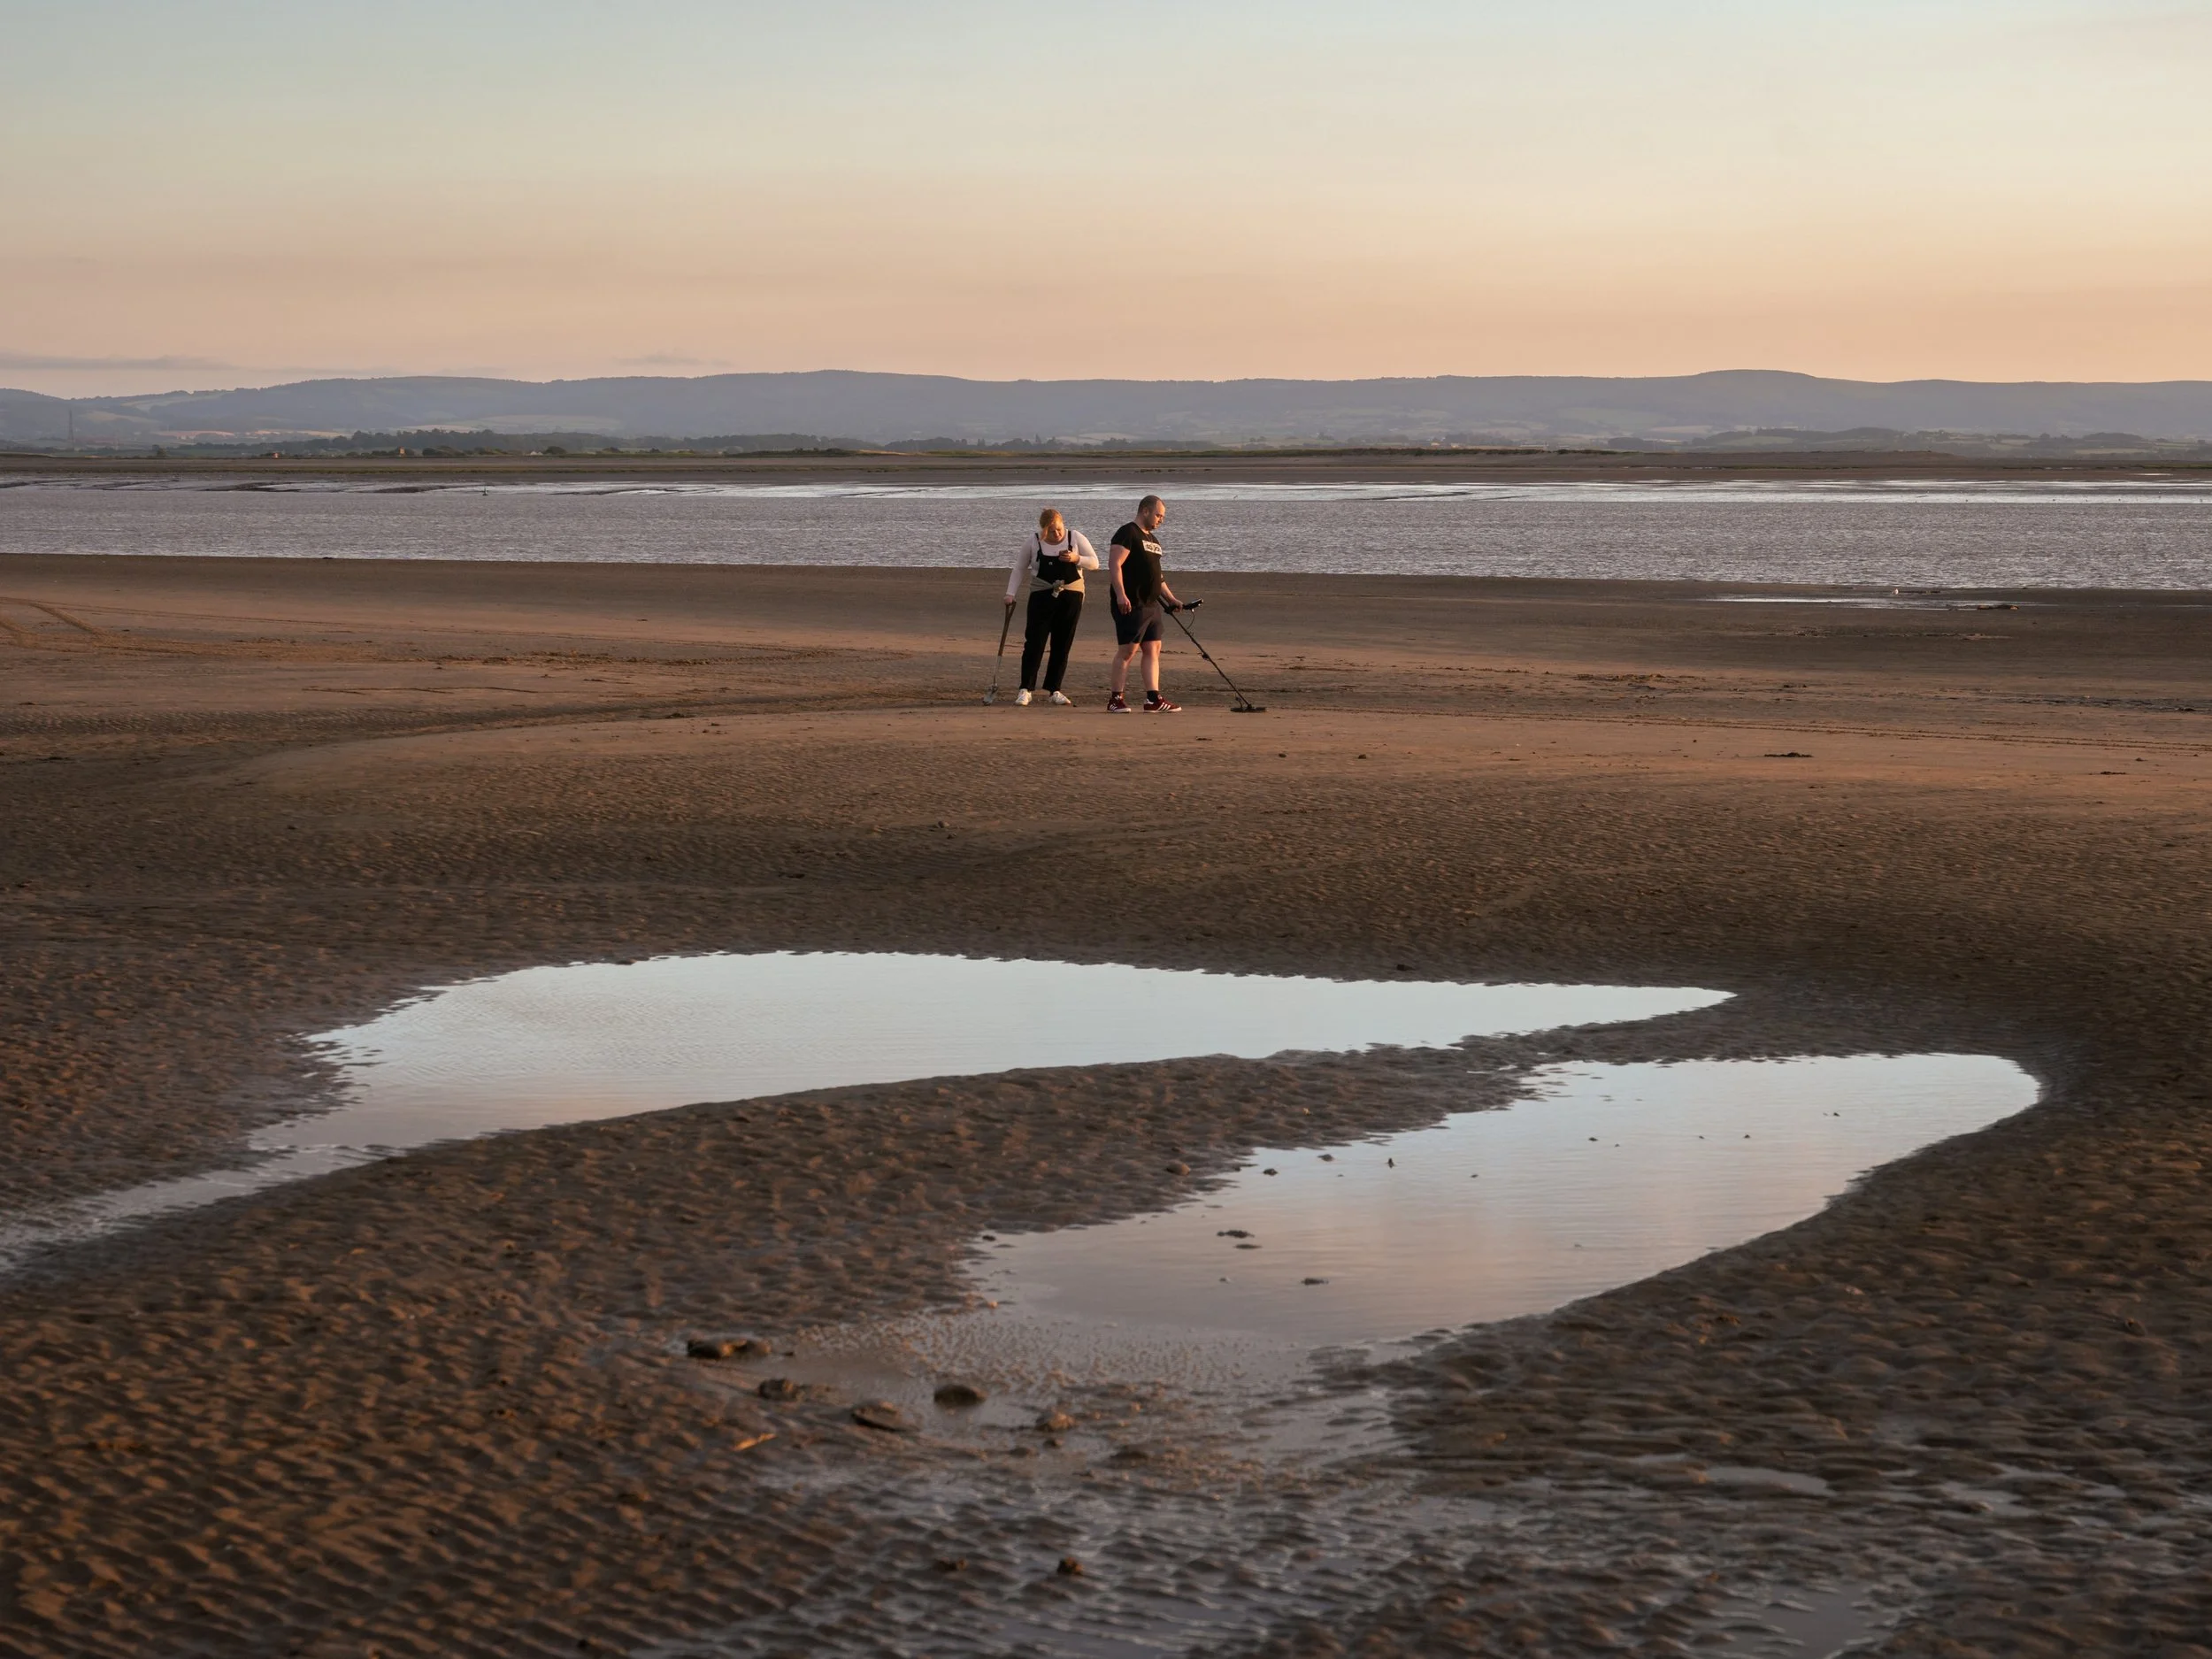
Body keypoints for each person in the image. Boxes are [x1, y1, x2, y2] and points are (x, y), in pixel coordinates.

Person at [1003, 507, 1099, 705]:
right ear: (1044, 530)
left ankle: (1054, 689)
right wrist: (1010, 593)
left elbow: (1095, 563)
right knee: (1034, 642)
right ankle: (1026, 689)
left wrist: (1076, 558)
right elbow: (1019, 568)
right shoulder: (1033, 541)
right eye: (1052, 531)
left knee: (1062, 643)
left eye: (1059, 529)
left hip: (1071, 596)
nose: (1057, 534)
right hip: (1041, 595)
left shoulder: (1075, 538)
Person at [1107, 494, 1185, 713]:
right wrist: (1121, 594)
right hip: (1132, 603)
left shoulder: (1153, 540)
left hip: (1152, 605)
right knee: (1127, 650)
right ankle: (1115, 699)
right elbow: (1115, 564)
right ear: (1145, 511)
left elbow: (1157, 576)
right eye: (1158, 515)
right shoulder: (1127, 533)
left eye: (1163, 516)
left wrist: (1171, 598)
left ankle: (1153, 699)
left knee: (1153, 648)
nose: (1161, 519)